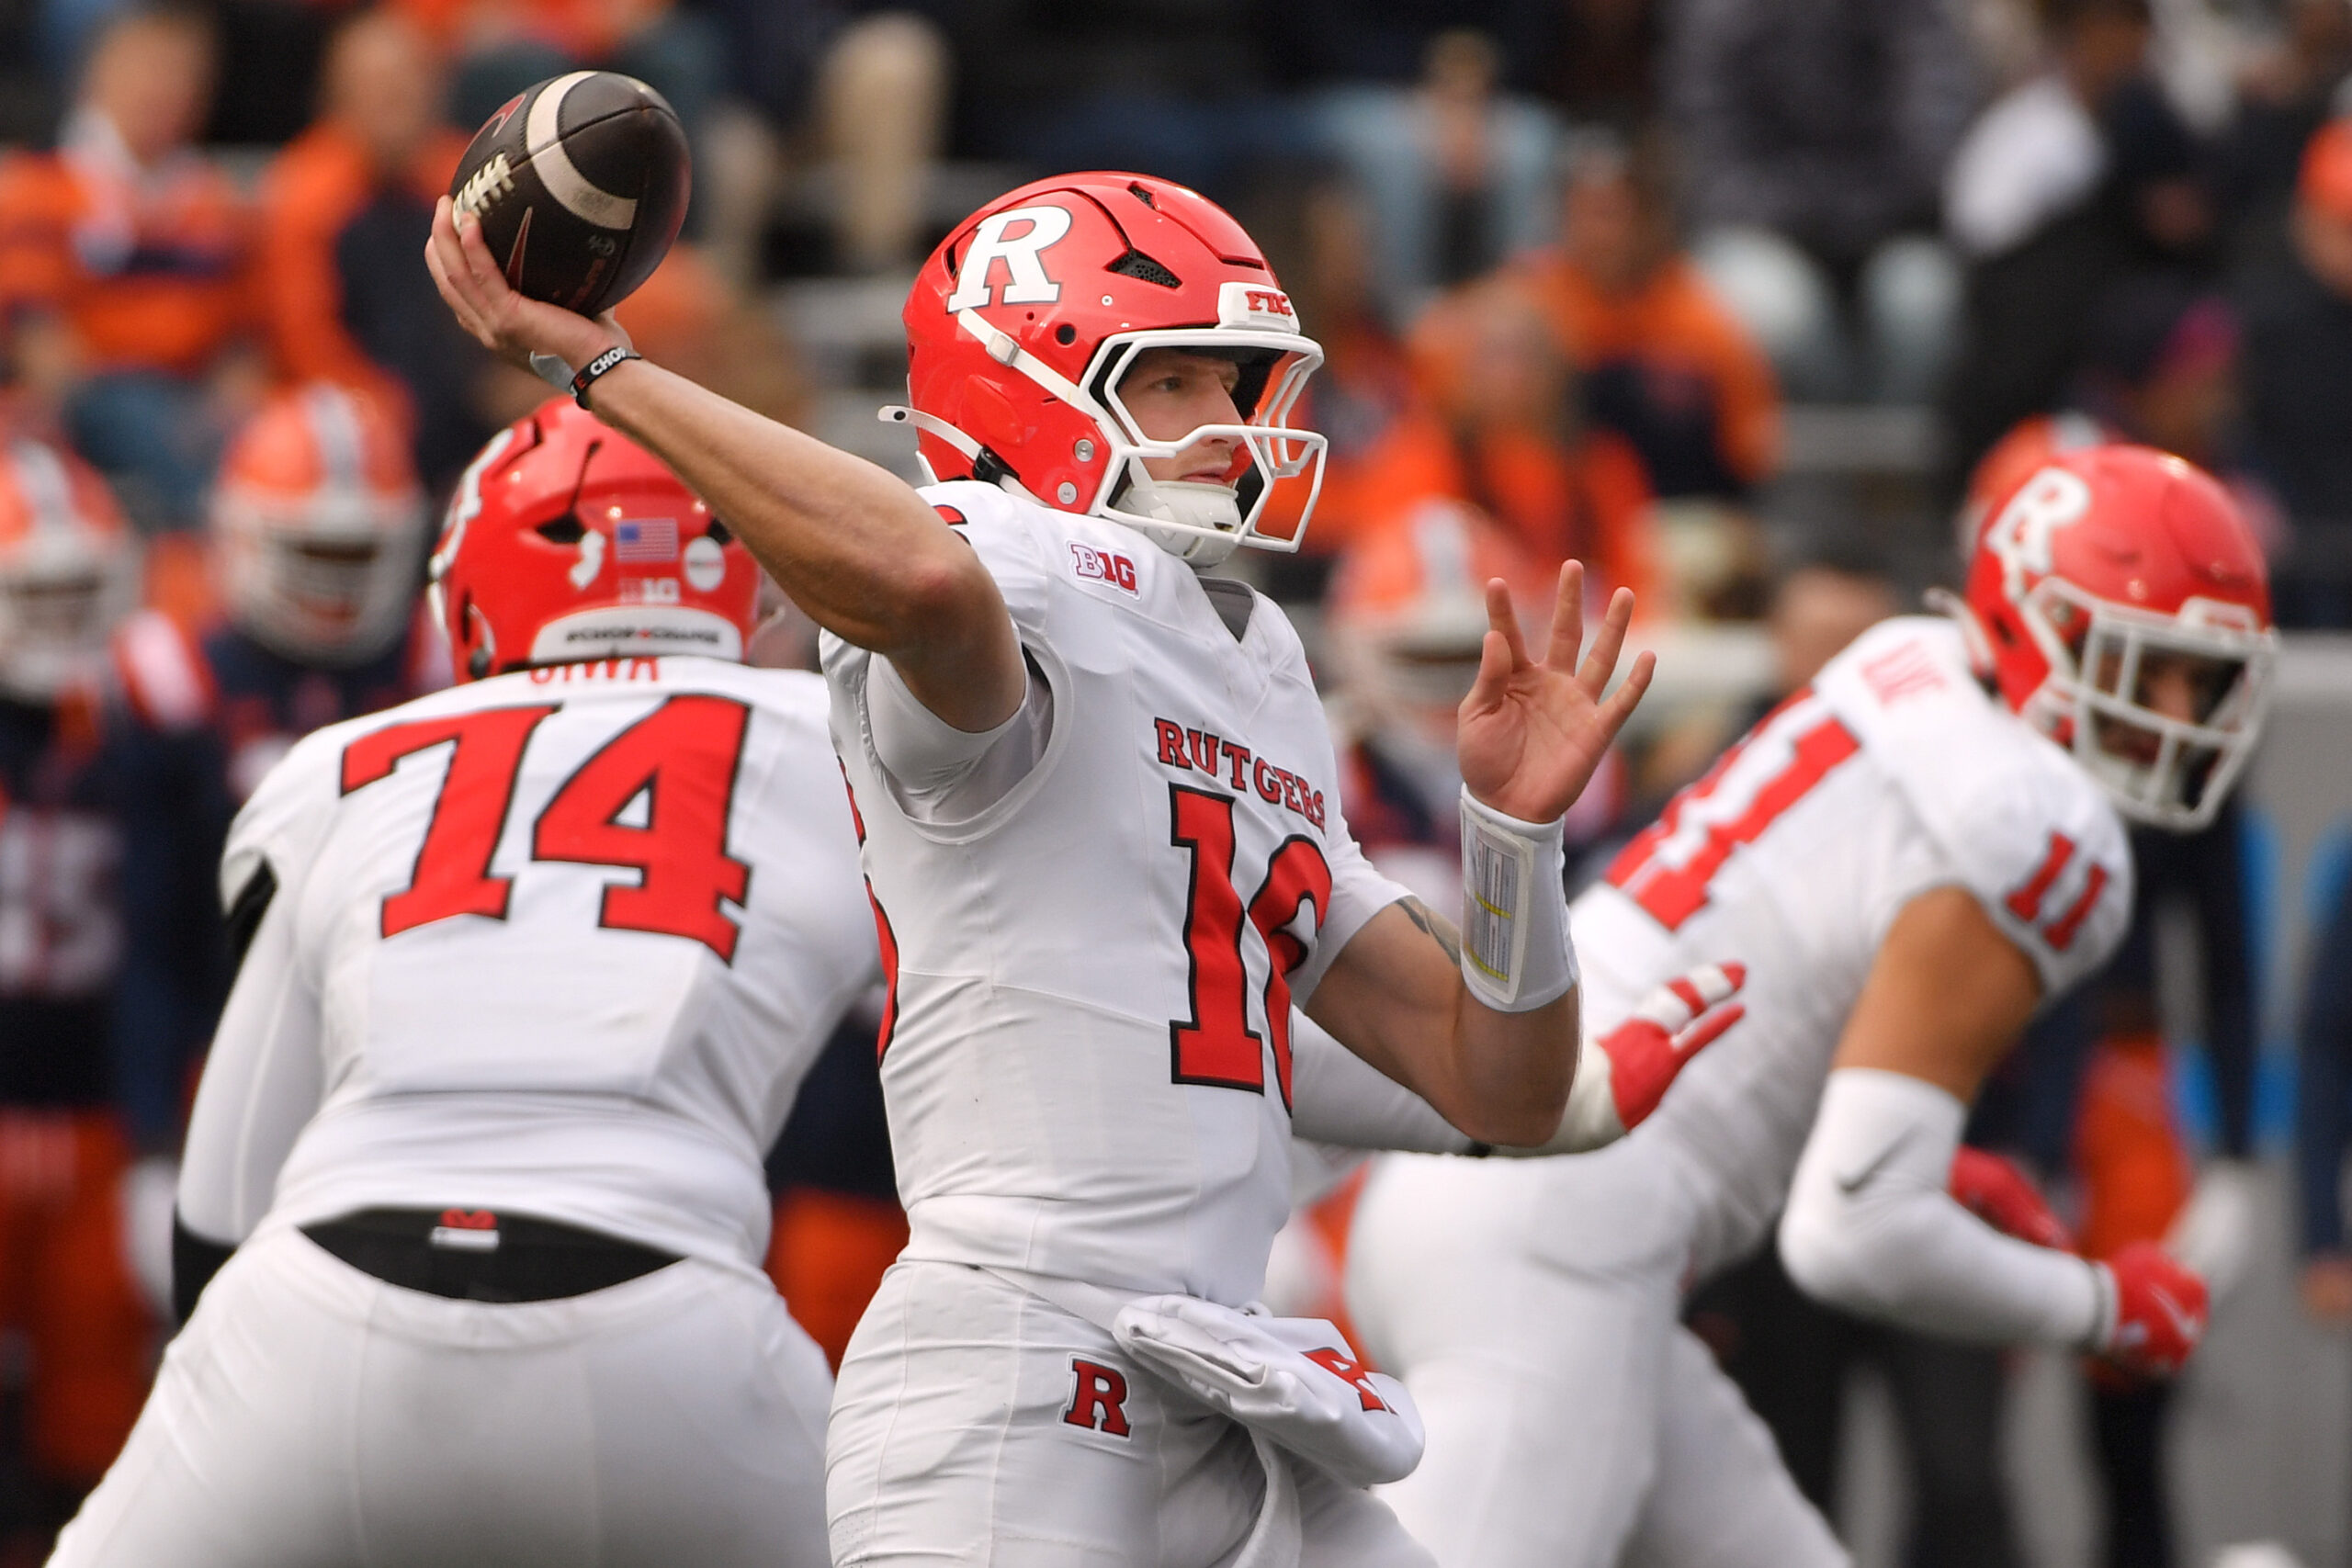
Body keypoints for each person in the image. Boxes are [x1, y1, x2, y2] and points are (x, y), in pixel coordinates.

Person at [426, 168, 1660, 1564]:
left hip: (1227, 1375)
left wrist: (1512, 837)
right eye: (1183, 380)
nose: (1240, 429)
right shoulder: (997, 561)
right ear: (1030, 386)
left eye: (1250, 385)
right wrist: (607, 366)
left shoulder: (1250, 654)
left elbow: (1499, 1076)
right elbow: (931, 586)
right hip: (1018, 1360)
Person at [1344, 443, 2277, 1568]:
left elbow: (1792, 989)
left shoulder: (1911, 664)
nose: (2180, 709)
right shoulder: (2034, 821)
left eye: (2201, 676)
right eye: (2148, 663)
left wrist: (1940, 1162)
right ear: (2044, 626)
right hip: (1558, 1236)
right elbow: (1857, 1233)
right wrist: (2100, 1307)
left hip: (1504, 1193)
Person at [46, 400, 874, 1567]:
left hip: (320, 1303)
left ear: (469, 585)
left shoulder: (336, 770)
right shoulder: (833, 742)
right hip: (668, 1317)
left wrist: (252, 1410)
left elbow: (223, 1210)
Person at [0, 434, 221, 1555]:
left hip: (91, 1107)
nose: (59, 618)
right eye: (33, 592)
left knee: (93, 1427)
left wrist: (154, 1131)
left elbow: (179, 924)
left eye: (79, 588)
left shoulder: (151, 714)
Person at [0, 4, 254, 531]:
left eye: (184, 74)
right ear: (99, 73)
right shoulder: (41, 184)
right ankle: (209, 533)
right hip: (96, 396)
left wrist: (235, 398)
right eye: (150, 66)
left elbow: (240, 336)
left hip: (193, 399)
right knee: (138, 414)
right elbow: (40, 339)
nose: (166, 88)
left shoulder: (212, 200)